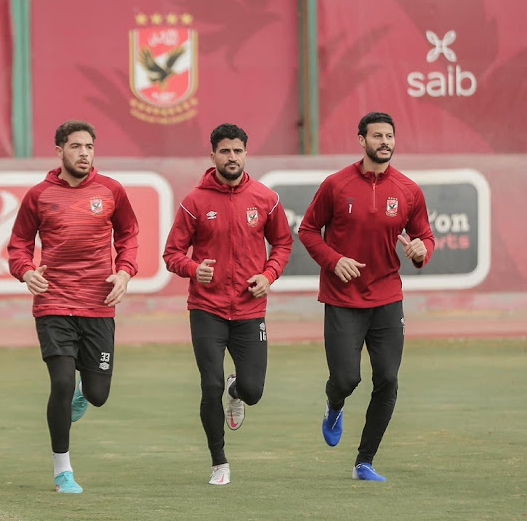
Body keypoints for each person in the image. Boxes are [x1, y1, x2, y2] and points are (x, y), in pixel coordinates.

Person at [298, 111, 435, 482]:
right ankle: (334, 404)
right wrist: (333, 259)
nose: (385, 142)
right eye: (377, 136)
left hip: (388, 299)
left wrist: (422, 251)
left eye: (389, 135)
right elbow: (308, 230)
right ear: (362, 140)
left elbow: (425, 236)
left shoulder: (408, 190)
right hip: (343, 300)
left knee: (388, 379)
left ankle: (364, 462)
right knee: (346, 379)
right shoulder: (335, 185)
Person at [7, 120, 139, 494]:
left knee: (96, 395)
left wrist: (125, 272)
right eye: (76, 146)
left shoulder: (112, 191)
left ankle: (86, 389)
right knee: (61, 383)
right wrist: (26, 271)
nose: (84, 153)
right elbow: (18, 244)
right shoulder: (39, 195)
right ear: (59, 150)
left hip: (98, 305)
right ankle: (62, 470)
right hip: (54, 302)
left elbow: (129, 234)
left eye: (89, 147)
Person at [163, 123, 294, 485]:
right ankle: (219, 461)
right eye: (225, 151)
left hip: (251, 311)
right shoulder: (194, 202)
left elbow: (283, 244)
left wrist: (268, 275)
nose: (231, 157)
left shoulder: (266, 199)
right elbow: (171, 253)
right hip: (207, 309)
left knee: (253, 391)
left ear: (245, 154)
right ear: (213, 156)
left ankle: (238, 389)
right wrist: (193, 268)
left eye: (237, 151)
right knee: (210, 385)